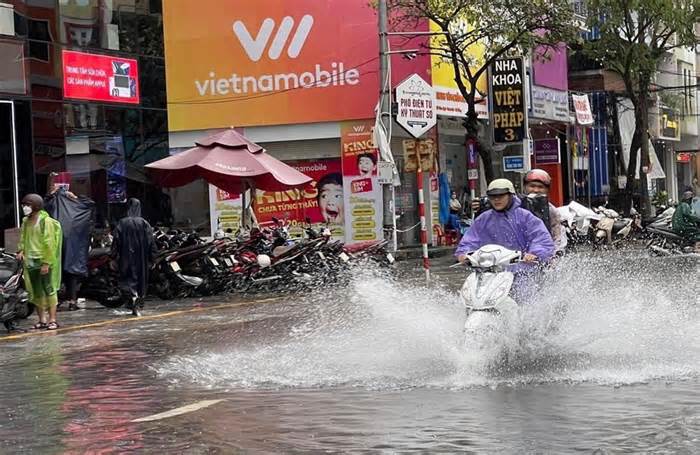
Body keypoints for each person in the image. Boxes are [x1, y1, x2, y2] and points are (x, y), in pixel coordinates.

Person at [455, 179, 555, 302]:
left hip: (522, 271)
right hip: (490, 272)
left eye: (500, 195)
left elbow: (541, 239)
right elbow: (470, 240)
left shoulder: (524, 216)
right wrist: (463, 254)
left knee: (525, 301)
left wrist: (534, 253)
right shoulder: (483, 219)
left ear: (511, 195)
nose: (496, 199)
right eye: (493, 196)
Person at [44, 181, 95, 311]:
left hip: (58, 247)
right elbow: (90, 204)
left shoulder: (53, 204)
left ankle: (56, 302)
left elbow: (43, 205)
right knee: (71, 275)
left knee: (57, 275)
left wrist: (52, 195)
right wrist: (76, 197)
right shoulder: (78, 207)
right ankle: (72, 301)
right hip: (73, 248)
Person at [16, 194, 63, 330]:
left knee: (49, 289)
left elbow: (49, 243)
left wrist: (46, 263)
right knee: (36, 292)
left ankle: (52, 320)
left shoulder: (45, 221)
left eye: (28, 205)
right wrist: (21, 251)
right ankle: (42, 320)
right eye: (24, 205)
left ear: (36, 205)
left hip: (44, 260)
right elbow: (23, 238)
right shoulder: (25, 221)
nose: (25, 208)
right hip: (30, 261)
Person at [111, 198, 156, 317]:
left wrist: (113, 256)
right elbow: (151, 242)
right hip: (141, 258)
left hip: (126, 257)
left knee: (128, 278)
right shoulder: (144, 223)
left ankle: (133, 299)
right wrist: (153, 258)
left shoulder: (122, 223)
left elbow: (116, 241)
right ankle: (138, 300)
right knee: (140, 279)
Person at [522, 169, 564, 252]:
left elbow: (557, 237)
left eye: (540, 187)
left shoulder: (552, 211)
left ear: (547, 190)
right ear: (525, 187)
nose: (536, 190)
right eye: (532, 186)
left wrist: (553, 254)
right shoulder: (517, 206)